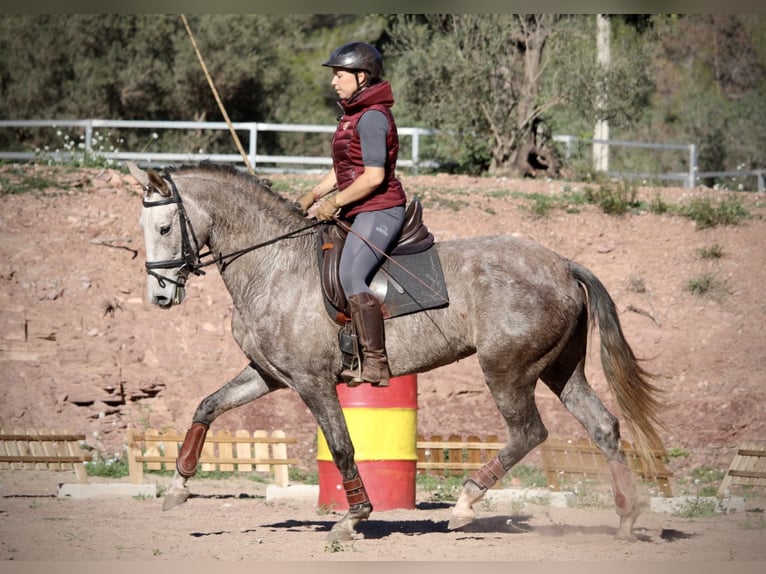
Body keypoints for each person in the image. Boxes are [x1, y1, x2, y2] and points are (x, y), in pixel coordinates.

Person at [297, 41, 407, 388]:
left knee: (351, 275)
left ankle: (375, 362)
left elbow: (373, 177)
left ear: (362, 76)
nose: (334, 81)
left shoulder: (373, 118)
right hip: (357, 206)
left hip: (381, 208)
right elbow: (343, 168)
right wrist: (313, 195)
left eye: (340, 75)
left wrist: (335, 202)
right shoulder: (352, 115)